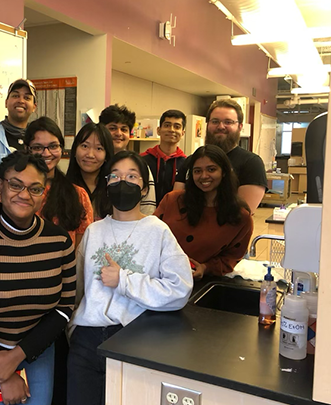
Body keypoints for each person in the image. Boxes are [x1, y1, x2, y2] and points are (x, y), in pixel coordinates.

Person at [67, 151, 193, 405]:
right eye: (115, 176)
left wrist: (124, 281)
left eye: (132, 176)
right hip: (86, 340)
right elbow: (79, 288)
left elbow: (179, 289)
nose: (122, 182)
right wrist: (73, 328)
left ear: (144, 188)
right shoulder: (94, 230)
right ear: (106, 184)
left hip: (132, 338)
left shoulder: (157, 231)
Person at [0, 151, 76, 405]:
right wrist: (3, 370)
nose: (24, 195)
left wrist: (17, 356)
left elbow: (65, 307)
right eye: (15, 185)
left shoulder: (60, 241)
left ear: (45, 193)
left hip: (37, 348)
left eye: (35, 189)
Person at [0, 116, 93, 246]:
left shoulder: (78, 195)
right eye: (38, 147)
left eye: (53, 146)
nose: (46, 153)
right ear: (27, 149)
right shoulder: (5, 190)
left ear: (61, 149)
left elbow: (81, 250)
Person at [156, 145, 254, 279]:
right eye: (197, 171)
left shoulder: (240, 217)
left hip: (201, 284)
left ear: (224, 171)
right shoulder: (172, 200)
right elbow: (150, 236)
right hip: (158, 277)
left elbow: (231, 258)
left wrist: (205, 267)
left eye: (211, 169)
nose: (204, 176)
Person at [174, 99, 267, 213]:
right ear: (207, 125)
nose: (221, 126)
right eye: (215, 121)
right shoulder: (190, 161)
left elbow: (242, 214)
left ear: (240, 126)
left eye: (228, 122)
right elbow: (176, 205)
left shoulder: (251, 163)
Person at [99, 104, 156, 214]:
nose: (119, 133)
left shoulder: (139, 166)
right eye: (112, 128)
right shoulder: (96, 162)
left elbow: (147, 207)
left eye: (124, 129)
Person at [0, 78, 38, 187]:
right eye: (15, 96)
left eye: (27, 97)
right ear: (6, 102)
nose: (21, 100)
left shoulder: (38, 140)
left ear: (34, 106)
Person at [67, 122, 115, 221]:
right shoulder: (62, 188)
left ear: (107, 155)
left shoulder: (114, 189)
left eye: (98, 148)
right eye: (85, 146)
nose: (90, 155)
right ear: (75, 150)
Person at [141, 109, 187, 205]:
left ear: (182, 133)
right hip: (146, 214)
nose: (171, 130)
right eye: (167, 125)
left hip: (173, 215)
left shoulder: (186, 164)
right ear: (158, 130)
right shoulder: (142, 160)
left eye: (177, 127)